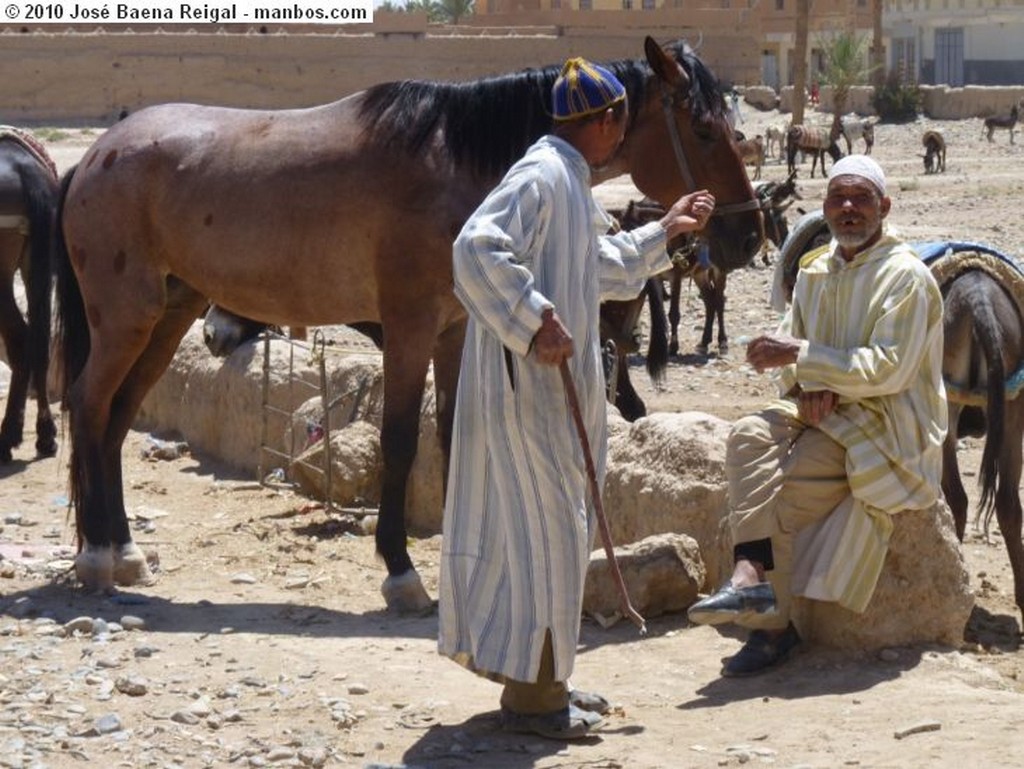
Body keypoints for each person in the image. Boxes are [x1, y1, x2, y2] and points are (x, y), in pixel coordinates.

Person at [438, 57, 716, 739]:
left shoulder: (569, 180)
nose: (621, 131)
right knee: (540, 538)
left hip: (549, 398)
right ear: (606, 121)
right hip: (525, 396)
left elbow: (604, 267)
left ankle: (547, 682)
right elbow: (475, 248)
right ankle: (535, 700)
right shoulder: (541, 174)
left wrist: (669, 230)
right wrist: (533, 319)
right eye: (619, 119)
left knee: (556, 536)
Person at [687, 155, 947, 677]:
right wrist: (803, 382)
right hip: (819, 408)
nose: (848, 209)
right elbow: (793, 342)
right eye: (838, 199)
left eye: (860, 199)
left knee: (785, 491)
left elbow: (889, 371)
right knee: (746, 435)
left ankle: (769, 625)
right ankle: (749, 575)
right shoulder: (813, 269)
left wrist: (805, 363)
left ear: (884, 207)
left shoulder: (907, 279)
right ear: (825, 208)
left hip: (884, 421)